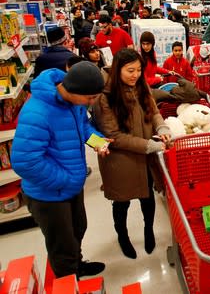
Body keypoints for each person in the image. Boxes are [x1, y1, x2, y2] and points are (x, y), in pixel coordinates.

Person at [11, 62, 108, 278]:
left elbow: (82, 127)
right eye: (90, 98)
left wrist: (97, 142)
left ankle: (77, 266)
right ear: (73, 90)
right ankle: (68, 280)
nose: (92, 103)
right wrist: (65, 179)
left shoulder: (73, 104)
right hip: (49, 194)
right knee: (61, 245)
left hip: (70, 186)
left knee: (78, 229)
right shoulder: (37, 112)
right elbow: (24, 161)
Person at [92, 49, 172, 259]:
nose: (135, 75)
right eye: (130, 70)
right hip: (121, 161)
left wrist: (162, 127)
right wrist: (149, 145)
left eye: (138, 70)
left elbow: (153, 111)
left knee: (148, 197)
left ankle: (148, 231)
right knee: (122, 202)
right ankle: (123, 236)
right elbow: (114, 136)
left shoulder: (141, 86)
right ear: (118, 69)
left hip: (145, 156)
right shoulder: (105, 97)